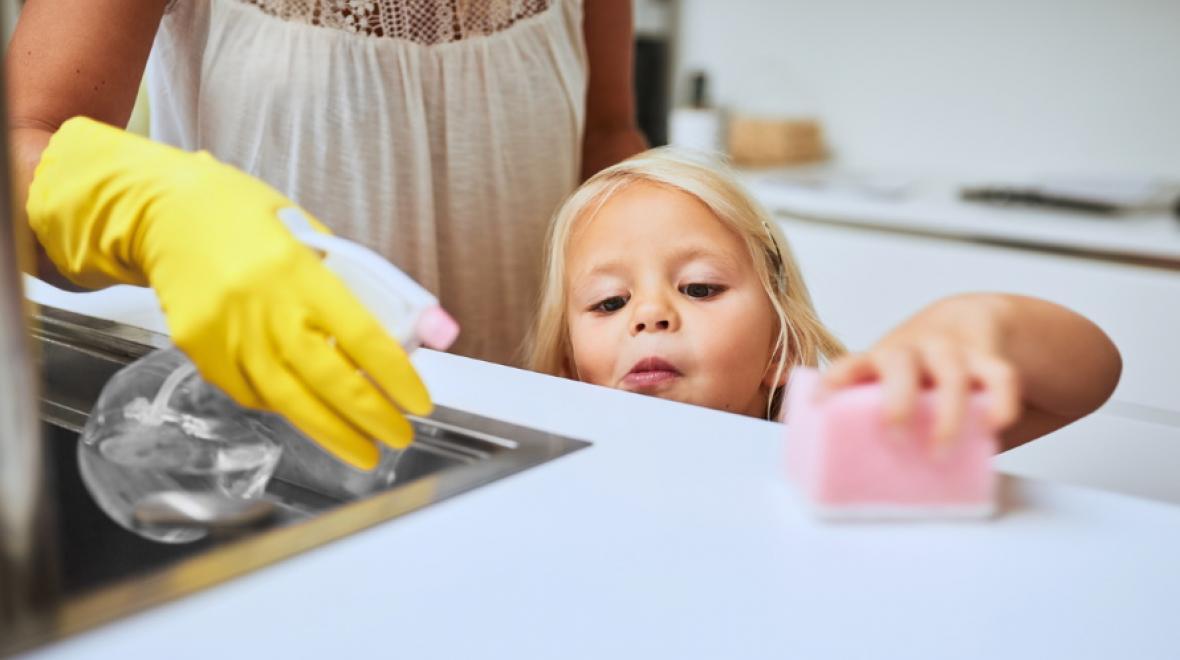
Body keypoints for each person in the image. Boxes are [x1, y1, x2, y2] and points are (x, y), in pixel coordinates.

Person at [8, 0, 646, 469]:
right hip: (260, 462)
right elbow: (22, 144)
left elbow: (608, 135)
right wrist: (146, 208)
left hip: (539, 456)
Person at [525, 149, 1123, 449]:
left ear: (777, 349)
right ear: (569, 368)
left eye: (700, 287)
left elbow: (1090, 376)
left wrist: (970, 323)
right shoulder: (553, 458)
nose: (650, 314)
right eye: (609, 302)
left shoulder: (830, 434)